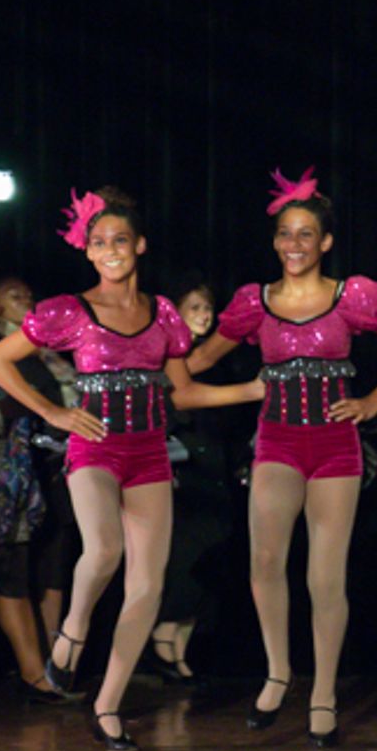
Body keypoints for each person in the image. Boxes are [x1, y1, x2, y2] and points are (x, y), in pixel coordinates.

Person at [0, 186, 264, 750]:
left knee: (148, 585)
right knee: (104, 549)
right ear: (88, 251)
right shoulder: (70, 310)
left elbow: (183, 391)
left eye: (120, 241)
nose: (110, 250)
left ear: (139, 246)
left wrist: (252, 389)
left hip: (149, 451)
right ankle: (72, 629)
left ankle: (107, 705)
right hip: (95, 448)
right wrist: (54, 412)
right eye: (100, 243)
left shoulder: (163, 315)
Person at [188, 167, 377, 747]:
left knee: (325, 576)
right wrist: (150, 347)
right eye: (284, 233)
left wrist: (373, 401)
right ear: (274, 241)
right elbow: (195, 363)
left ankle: (323, 693)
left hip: (336, 446)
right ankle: (278, 672)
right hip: (277, 440)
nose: (293, 244)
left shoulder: (352, 298)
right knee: (265, 560)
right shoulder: (255, 303)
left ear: (325, 242)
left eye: (305, 234)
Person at [143, 283, 236, 684]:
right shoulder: (170, 354)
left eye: (208, 307)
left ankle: (180, 642)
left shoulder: (208, 359)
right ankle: (163, 633)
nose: (204, 314)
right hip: (181, 464)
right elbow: (180, 397)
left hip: (211, 464)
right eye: (194, 307)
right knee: (187, 550)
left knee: (213, 549)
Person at [0, 298, 67, 704]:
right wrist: (6, 409)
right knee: (4, 584)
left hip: (7, 490)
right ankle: (35, 676)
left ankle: (35, 676)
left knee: (8, 583)